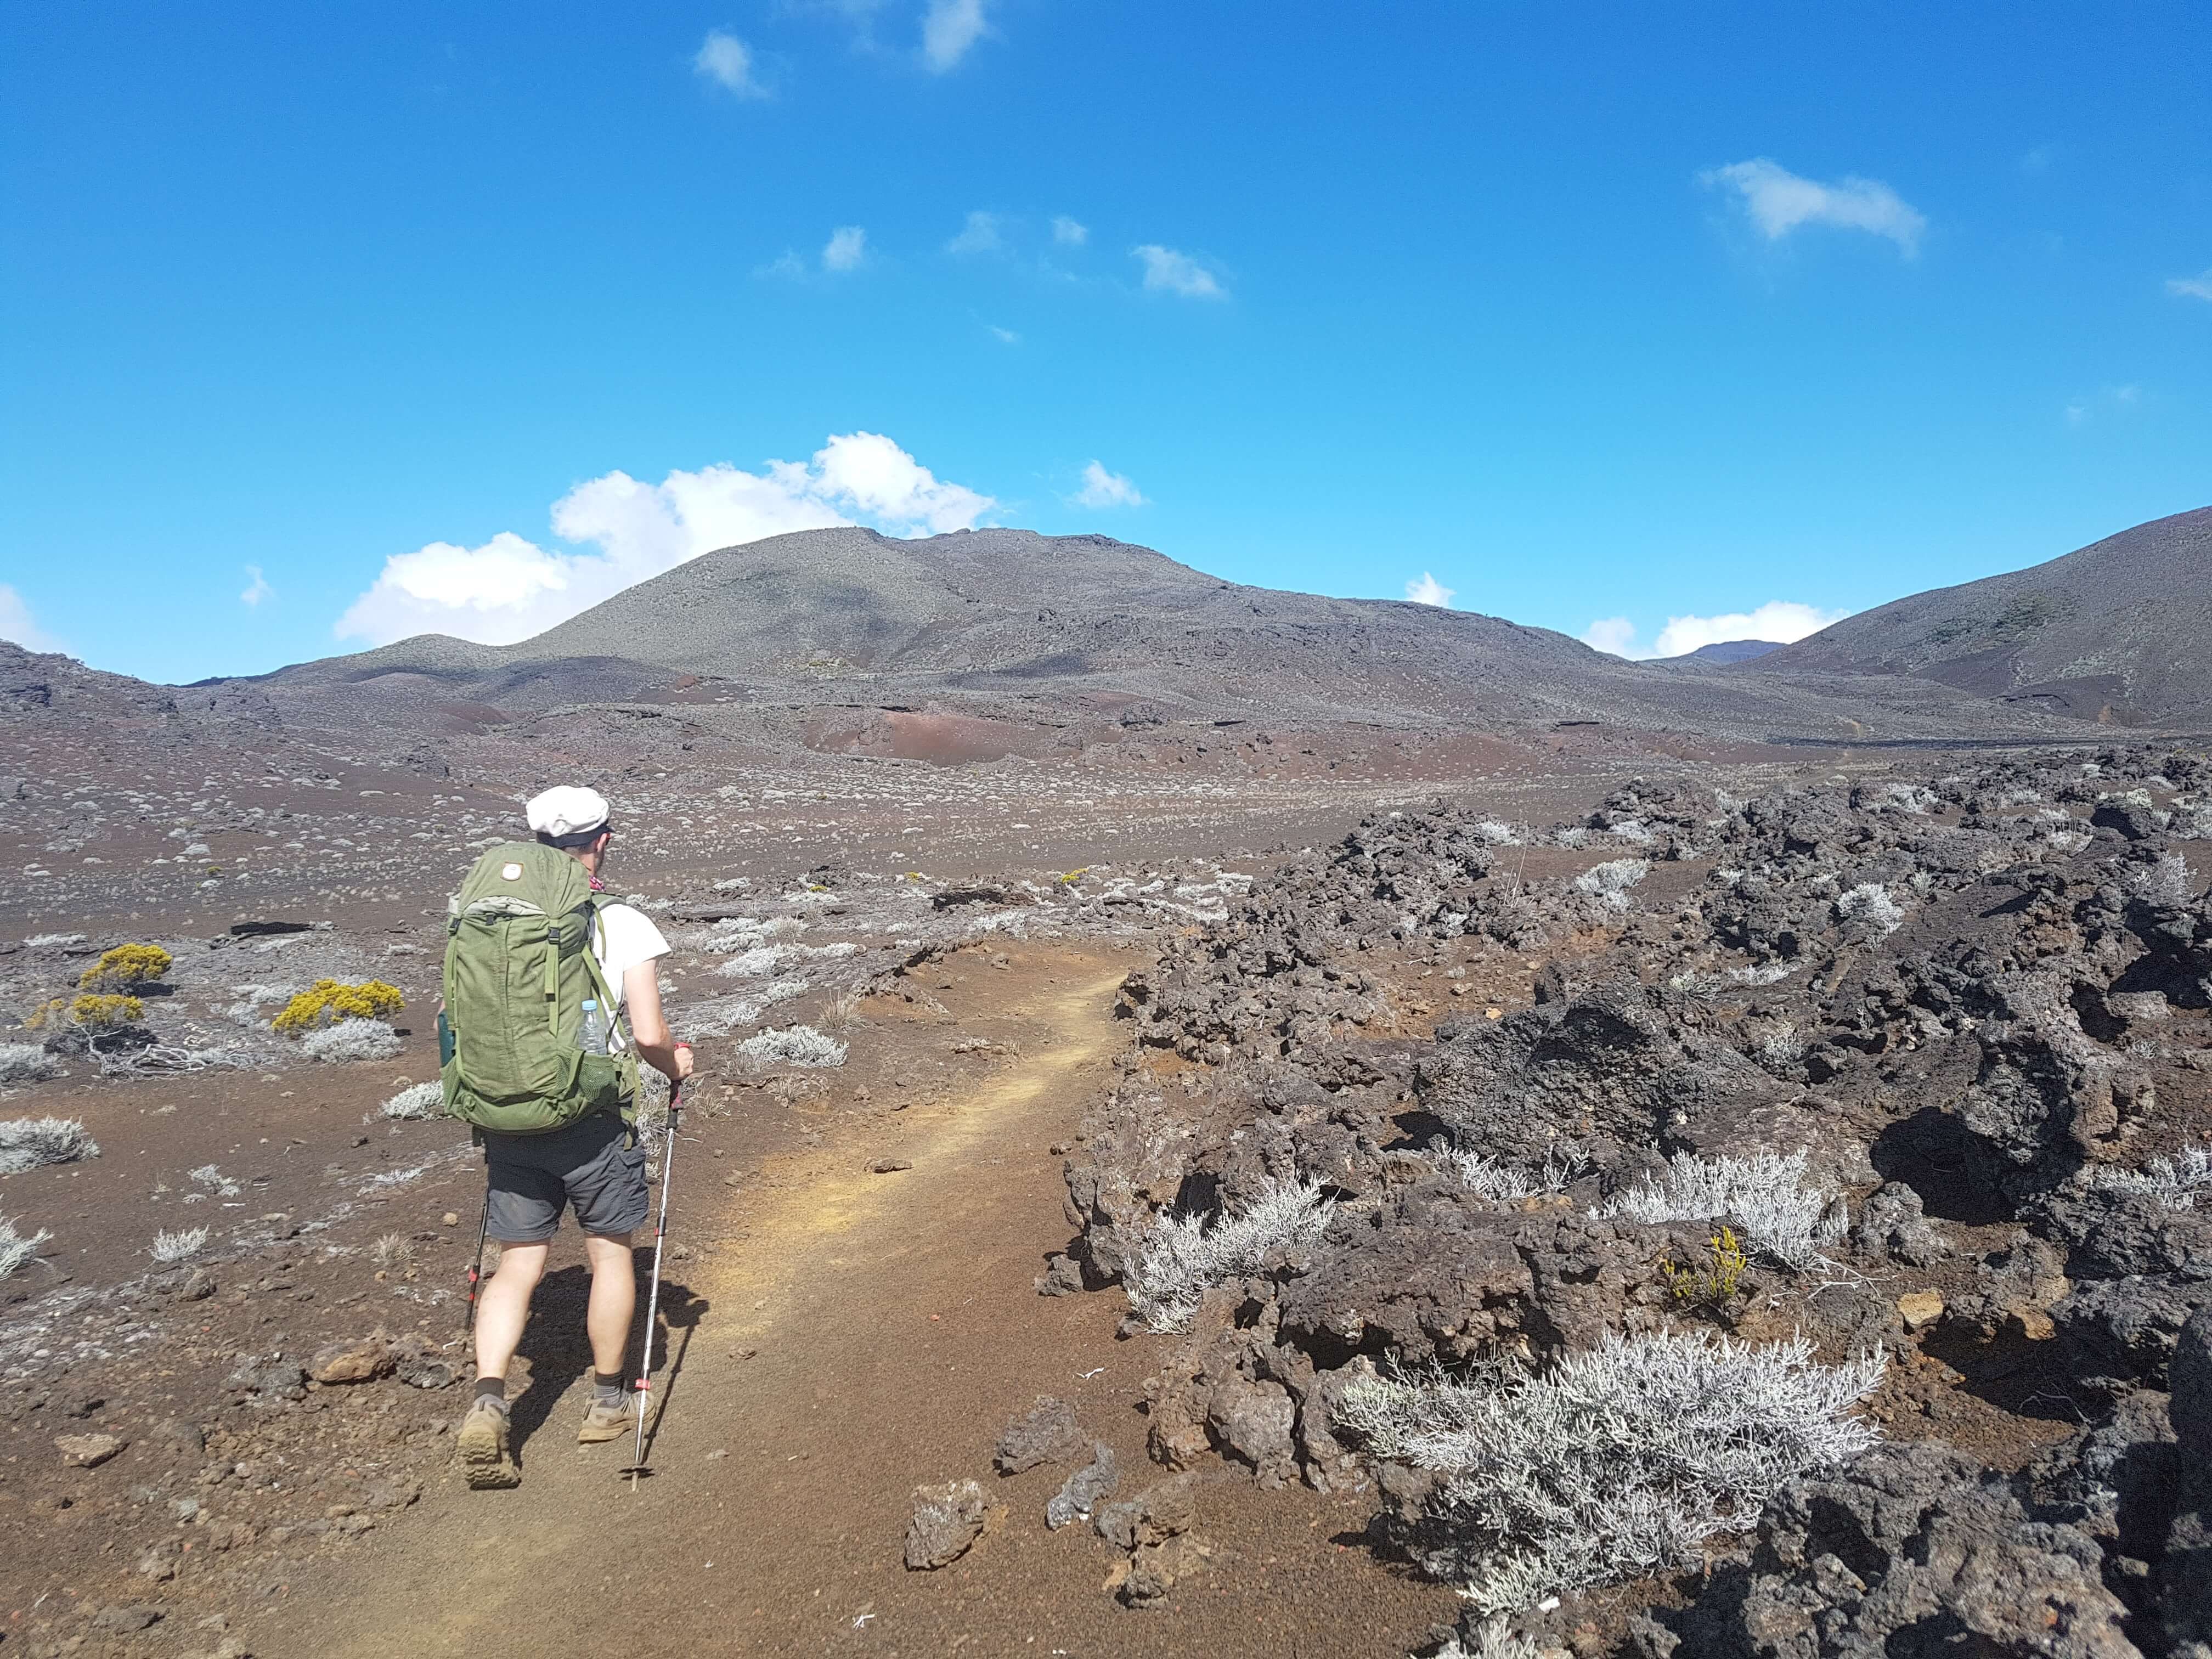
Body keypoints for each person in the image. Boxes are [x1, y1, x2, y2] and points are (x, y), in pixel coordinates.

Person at [455, 785, 694, 1488]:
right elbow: (648, 1034)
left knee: (517, 1262)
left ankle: (491, 1398)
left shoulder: (489, 918)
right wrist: (676, 1061)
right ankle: (608, 1401)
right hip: (589, 1117)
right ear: (604, 842)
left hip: (507, 1112)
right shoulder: (620, 921)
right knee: (611, 1254)